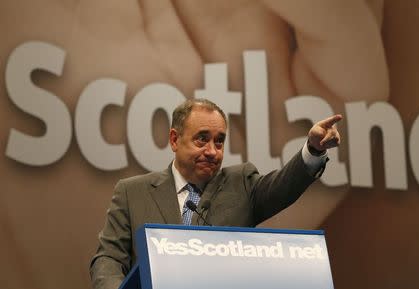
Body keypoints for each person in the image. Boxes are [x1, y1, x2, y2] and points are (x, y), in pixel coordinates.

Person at [89, 98, 342, 289]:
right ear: (175, 140)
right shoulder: (132, 192)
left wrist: (313, 150)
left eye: (219, 141)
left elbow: (284, 185)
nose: (212, 151)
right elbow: (108, 259)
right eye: (202, 139)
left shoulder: (241, 183)